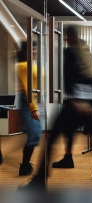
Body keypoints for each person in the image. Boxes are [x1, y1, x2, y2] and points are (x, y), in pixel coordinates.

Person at [19, 25, 92, 191]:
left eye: (67, 36)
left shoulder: (69, 52)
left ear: (70, 37)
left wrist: (77, 99)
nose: (66, 39)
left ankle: (40, 180)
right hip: (88, 103)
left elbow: (68, 79)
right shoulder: (86, 58)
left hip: (75, 104)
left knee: (54, 138)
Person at [15, 41, 42, 176]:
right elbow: (27, 88)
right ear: (25, 51)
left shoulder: (33, 65)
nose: (35, 52)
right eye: (32, 50)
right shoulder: (23, 65)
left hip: (35, 101)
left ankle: (26, 165)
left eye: (36, 49)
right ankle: (25, 166)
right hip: (28, 101)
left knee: (36, 134)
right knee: (34, 135)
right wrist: (33, 108)